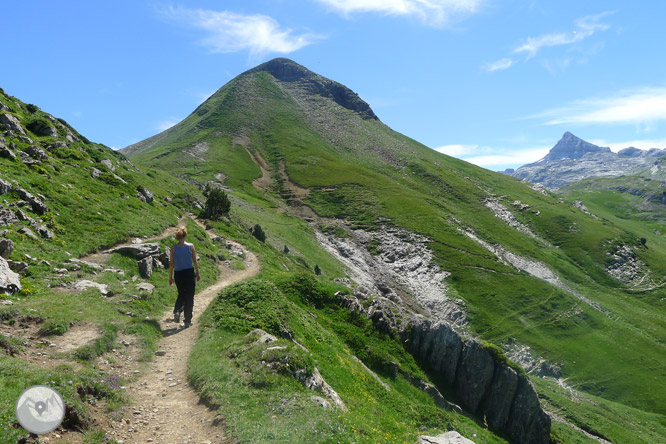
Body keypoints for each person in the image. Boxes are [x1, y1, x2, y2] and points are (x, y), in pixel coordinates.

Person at [169, 226, 200, 327]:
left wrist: (170, 277)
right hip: (189, 274)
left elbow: (171, 264)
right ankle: (187, 321)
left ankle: (177, 311)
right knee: (189, 296)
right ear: (186, 235)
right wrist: (198, 273)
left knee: (181, 294)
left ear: (177, 237)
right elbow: (195, 261)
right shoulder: (191, 246)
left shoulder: (173, 248)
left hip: (178, 274)